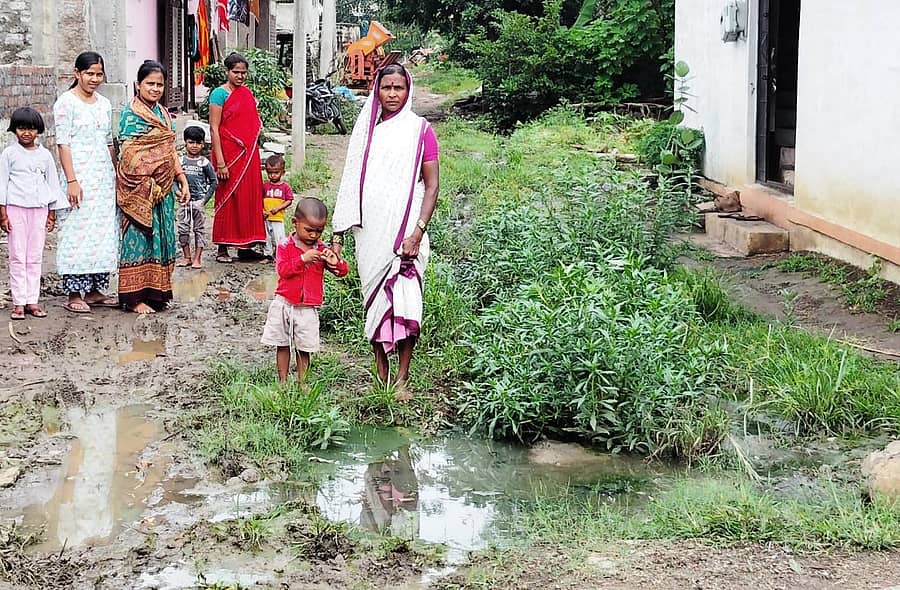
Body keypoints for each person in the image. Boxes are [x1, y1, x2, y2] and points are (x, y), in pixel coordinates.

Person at [332, 63, 440, 395]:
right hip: (371, 234)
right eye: (386, 87)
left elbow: (432, 187)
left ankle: (402, 379)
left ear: (408, 92)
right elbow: (350, 182)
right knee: (376, 301)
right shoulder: (366, 133)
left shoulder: (420, 130)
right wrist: (338, 233)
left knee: (408, 304)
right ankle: (381, 374)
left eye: (399, 88)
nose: (392, 94)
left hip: (407, 232)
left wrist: (417, 233)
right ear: (376, 90)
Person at [116, 60, 189, 314]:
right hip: (139, 190)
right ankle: (134, 298)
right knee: (139, 239)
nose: (155, 88)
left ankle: (157, 294)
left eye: (159, 84)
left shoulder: (163, 113)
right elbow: (128, 156)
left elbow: (169, 150)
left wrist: (181, 177)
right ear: (138, 85)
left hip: (164, 191)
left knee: (164, 237)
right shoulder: (131, 114)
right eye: (150, 83)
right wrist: (149, 182)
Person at [53, 51, 119, 314]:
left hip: (102, 176)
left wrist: (116, 174)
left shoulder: (104, 104)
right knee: (76, 232)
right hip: (78, 174)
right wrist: (71, 180)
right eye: (89, 73)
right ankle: (74, 293)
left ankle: (94, 291)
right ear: (77, 74)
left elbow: (108, 141)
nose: (94, 79)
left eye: (98, 74)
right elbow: (63, 143)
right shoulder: (66, 103)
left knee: (102, 233)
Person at [261, 198, 348, 382]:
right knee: (282, 344)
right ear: (295, 222)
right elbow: (283, 271)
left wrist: (335, 261)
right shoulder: (285, 245)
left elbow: (342, 272)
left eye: (319, 231)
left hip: (308, 308)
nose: (313, 235)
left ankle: (303, 383)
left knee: (304, 348)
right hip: (284, 303)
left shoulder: (322, 249)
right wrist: (303, 259)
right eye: (309, 230)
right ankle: (282, 381)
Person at [0, 107, 65, 320]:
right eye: (21, 128)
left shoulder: (44, 155)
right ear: (14, 130)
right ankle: (18, 303)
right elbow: (2, 183)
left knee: (35, 256)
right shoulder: (9, 154)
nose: (26, 133)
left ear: (38, 130)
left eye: (31, 128)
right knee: (18, 256)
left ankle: (32, 301)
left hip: (39, 209)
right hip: (16, 209)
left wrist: (52, 213)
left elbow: (53, 183)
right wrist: (2, 212)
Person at [209, 52, 266, 263]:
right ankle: (222, 248)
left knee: (249, 198)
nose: (240, 76)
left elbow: (252, 124)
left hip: (248, 154)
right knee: (227, 197)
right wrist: (221, 162)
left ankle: (246, 246)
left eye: (243, 73)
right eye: (236, 72)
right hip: (228, 154)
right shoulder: (219, 94)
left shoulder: (247, 93)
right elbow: (214, 128)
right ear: (227, 72)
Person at [177, 125, 217, 269]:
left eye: (198, 143)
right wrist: (178, 192)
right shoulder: (180, 162)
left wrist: (204, 200)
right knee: (183, 228)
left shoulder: (205, 163)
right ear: (185, 142)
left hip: (198, 201)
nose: (194, 146)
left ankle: (197, 258)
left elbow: (214, 182)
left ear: (202, 144)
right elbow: (173, 180)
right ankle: (186, 256)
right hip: (184, 202)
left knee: (199, 230)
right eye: (191, 142)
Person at [261, 154, 294, 261]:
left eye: (276, 172)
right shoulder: (265, 186)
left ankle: (281, 255)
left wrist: (279, 208)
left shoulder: (285, 187)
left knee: (279, 237)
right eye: (270, 173)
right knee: (267, 237)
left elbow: (289, 200)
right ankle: (268, 254)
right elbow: (259, 200)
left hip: (278, 218)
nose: (273, 175)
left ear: (282, 172)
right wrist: (262, 211)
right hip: (266, 217)